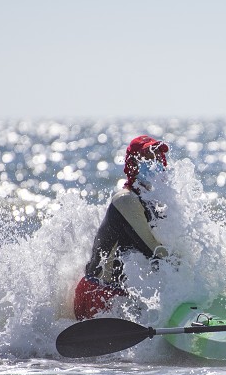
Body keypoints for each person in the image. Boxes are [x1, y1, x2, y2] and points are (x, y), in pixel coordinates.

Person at [73, 134, 171, 320]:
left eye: (157, 158)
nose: (155, 163)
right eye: (147, 158)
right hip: (99, 294)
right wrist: (189, 271)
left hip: (121, 295)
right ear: (133, 164)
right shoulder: (126, 200)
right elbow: (154, 251)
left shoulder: (153, 202)